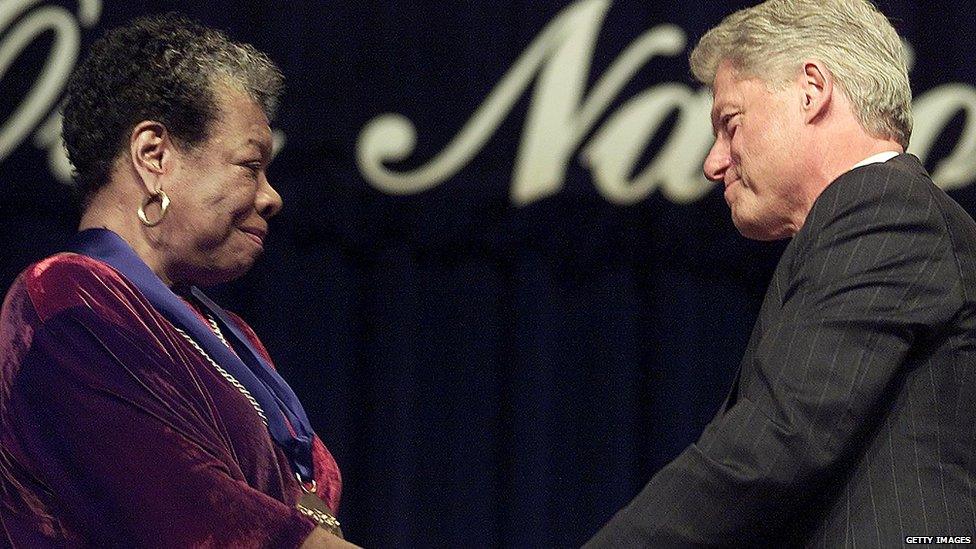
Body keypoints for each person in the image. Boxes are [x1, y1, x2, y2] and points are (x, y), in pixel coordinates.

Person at [587, 0, 976, 546]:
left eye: (730, 124)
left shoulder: (884, 206)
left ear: (811, 91)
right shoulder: (870, 218)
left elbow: (780, 436)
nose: (712, 162)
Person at [0, 14, 357, 548]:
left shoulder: (227, 332)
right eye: (250, 165)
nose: (271, 196)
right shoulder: (68, 302)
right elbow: (192, 519)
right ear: (154, 156)